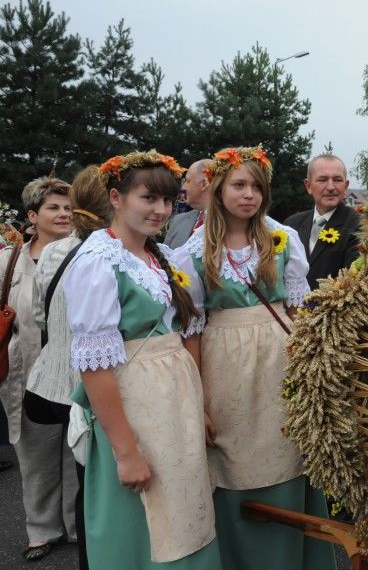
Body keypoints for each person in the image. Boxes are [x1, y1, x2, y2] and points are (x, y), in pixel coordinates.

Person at [63, 151, 222, 569]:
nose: (160, 210)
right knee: (147, 519)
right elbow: (95, 367)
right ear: (116, 198)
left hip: (172, 402)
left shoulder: (159, 255)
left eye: (168, 201)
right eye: (148, 198)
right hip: (134, 409)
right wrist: (126, 452)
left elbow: (182, 329)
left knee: (185, 510)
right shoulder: (98, 262)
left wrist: (198, 405)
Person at [180, 145, 335, 570]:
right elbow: (191, 332)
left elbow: (300, 314)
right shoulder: (195, 252)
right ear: (218, 188)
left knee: (287, 452)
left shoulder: (281, 239)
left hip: (279, 361)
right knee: (232, 461)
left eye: (256, 187)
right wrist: (198, 398)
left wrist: (311, 373)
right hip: (224, 368)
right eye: (239, 185)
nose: (249, 194)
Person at [25, 165, 114, 570]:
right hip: (92, 388)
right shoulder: (111, 253)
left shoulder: (55, 251)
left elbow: (41, 317)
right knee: (96, 485)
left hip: (53, 382)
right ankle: (97, 555)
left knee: (81, 477)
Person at [0, 176, 74, 561]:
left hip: (74, 368)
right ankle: (41, 530)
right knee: (35, 453)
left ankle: (76, 525)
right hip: (26, 370)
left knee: (76, 450)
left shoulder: (84, 253)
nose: (63, 214)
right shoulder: (8, 261)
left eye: (67, 207)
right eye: (53, 207)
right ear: (32, 216)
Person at [284, 154, 360, 289]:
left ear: (346, 186)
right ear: (308, 185)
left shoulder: (358, 225)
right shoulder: (291, 225)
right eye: (322, 180)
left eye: (337, 180)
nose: (330, 187)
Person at [165, 159, 212, 248]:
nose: (183, 187)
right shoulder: (178, 221)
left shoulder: (234, 223)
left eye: (187, 181)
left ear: (204, 184)